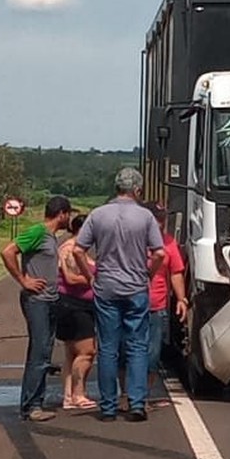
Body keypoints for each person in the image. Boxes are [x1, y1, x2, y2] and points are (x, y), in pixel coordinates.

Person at [73, 168, 165, 422]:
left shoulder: (98, 214)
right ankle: (136, 403)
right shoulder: (145, 217)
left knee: (108, 348)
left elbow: (79, 250)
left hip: (106, 287)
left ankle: (109, 406)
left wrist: (90, 277)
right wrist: (147, 274)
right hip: (135, 287)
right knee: (137, 346)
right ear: (137, 190)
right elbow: (159, 253)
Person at [1, 196, 72, 422]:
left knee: (45, 350)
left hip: (49, 299)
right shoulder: (38, 232)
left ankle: (36, 401)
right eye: (68, 214)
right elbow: (8, 251)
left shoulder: (50, 237)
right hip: (37, 300)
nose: (69, 218)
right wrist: (23, 280)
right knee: (39, 352)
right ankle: (31, 405)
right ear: (61, 214)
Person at [117, 201, 188, 411]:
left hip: (156, 307)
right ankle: (125, 394)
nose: (159, 223)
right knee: (124, 351)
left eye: (162, 219)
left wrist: (181, 299)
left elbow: (175, 272)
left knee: (152, 355)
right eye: (155, 218)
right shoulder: (129, 241)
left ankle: (142, 396)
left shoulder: (169, 243)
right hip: (128, 303)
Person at [57, 213, 98, 411]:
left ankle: (68, 396)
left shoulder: (79, 249)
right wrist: (93, 279)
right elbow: (71, 279)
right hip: (74, 306)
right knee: (86, 351)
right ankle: (77, 394)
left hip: (78, 305)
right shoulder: (70, 249)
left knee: (72, 354)